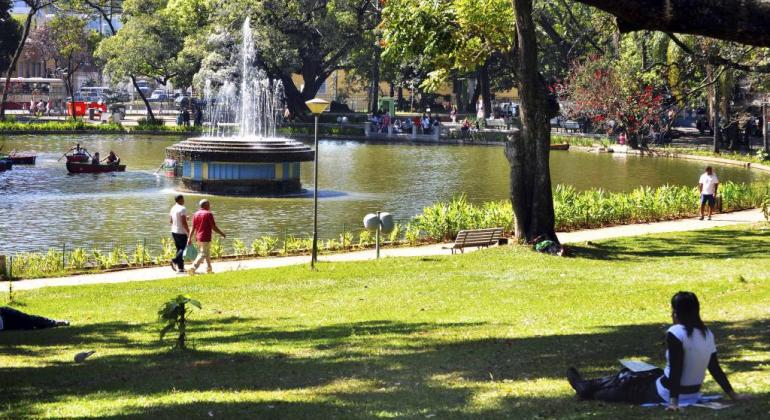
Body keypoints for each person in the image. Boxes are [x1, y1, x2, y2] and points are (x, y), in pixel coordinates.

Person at [566, 292, 748, 410]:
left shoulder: (675, 332)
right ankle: (587, 384)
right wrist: (732, 394)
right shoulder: (707, 333)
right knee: (637, 373)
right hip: (691, 392)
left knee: (621, 385)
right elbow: (714, 367)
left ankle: (585, 388)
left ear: (676, 313)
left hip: (665, 392)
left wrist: (674, 402)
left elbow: (677, 369)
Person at [187, 199, 226, 275]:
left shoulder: (196, 214)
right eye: (208, 204)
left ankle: (209, 270)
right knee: (203, 254)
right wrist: (222, 233)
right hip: (205, 237)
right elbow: (213, 227)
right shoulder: (208, 214)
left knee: (206, 253)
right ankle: (193, 267)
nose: (209, 206)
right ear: (205, 205)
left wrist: (189, 238)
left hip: (198, 238)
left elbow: (193, 227)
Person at [0, 306, 69, 331]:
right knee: (28, 325)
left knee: (29, 319)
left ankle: (54, 322)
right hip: (5, 323)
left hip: (4, 314)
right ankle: (52, 323)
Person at [169, 194, 189, 274]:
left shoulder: (173, 208)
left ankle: (181, 268)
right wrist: (188, 231)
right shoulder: (182, 208)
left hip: (174, 231)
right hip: (181, 232)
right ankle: (174, 260)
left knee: (179, 249)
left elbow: (171, 221)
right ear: (180, 200)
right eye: (183, 199)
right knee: (183, 249)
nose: (184, 201)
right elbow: (184, 222)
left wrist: (184, 218)